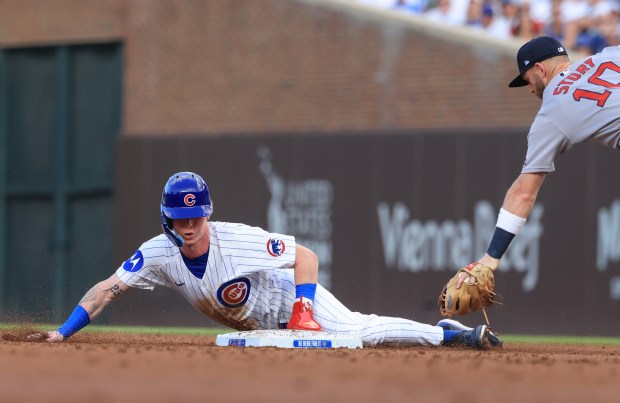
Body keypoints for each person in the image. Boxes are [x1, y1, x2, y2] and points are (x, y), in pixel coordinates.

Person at [30, 171, 497, 349]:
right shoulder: (157, 253)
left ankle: (444, 334)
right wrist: (63, 331)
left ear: (207, 213)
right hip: (258, 327)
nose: (189, 226)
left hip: (290, 304)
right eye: (180, 218)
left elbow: (306, 257)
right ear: (167, 219)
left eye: (196, 216)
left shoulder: (238, 241)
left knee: (360, 331)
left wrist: (304, 310)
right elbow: (108, 288)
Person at [447, 36, 620, 308]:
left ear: (540, 69)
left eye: (527, 80)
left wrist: (489, 259)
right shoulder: (608, 56)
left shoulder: (553, 111)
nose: (529, 89)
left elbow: (522, 194)